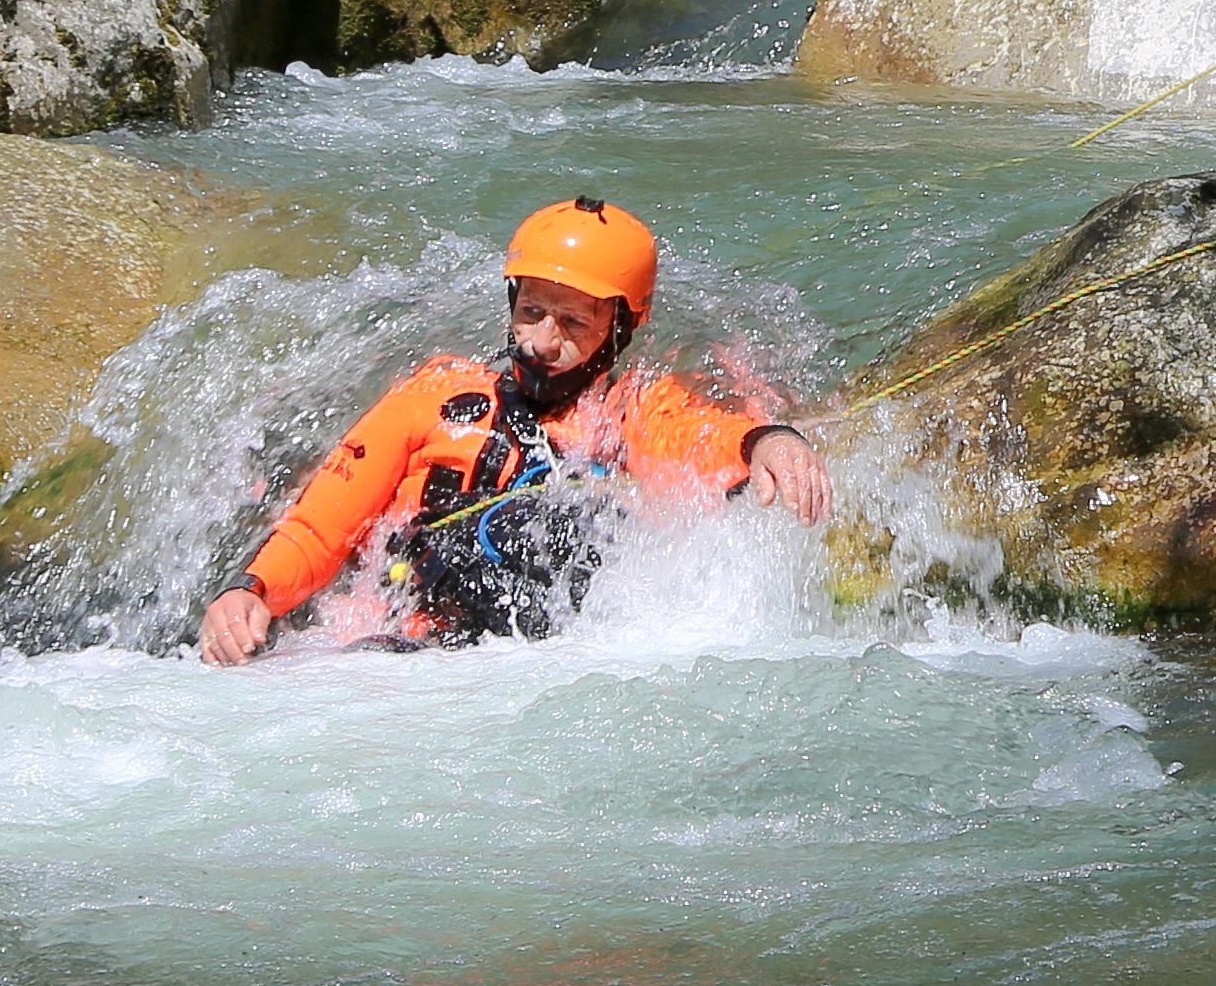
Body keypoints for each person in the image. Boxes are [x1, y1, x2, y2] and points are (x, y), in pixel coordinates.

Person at [194, 199, 833, 663]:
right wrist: (248, 591)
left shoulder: (631, 410)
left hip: (536, 670)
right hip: (389, 648)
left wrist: (765, 442)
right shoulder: (434, 397)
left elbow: (698, 439)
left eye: (574, 324)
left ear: (619, 330)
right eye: (530, 313)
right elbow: (318, 529)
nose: (542, 343)